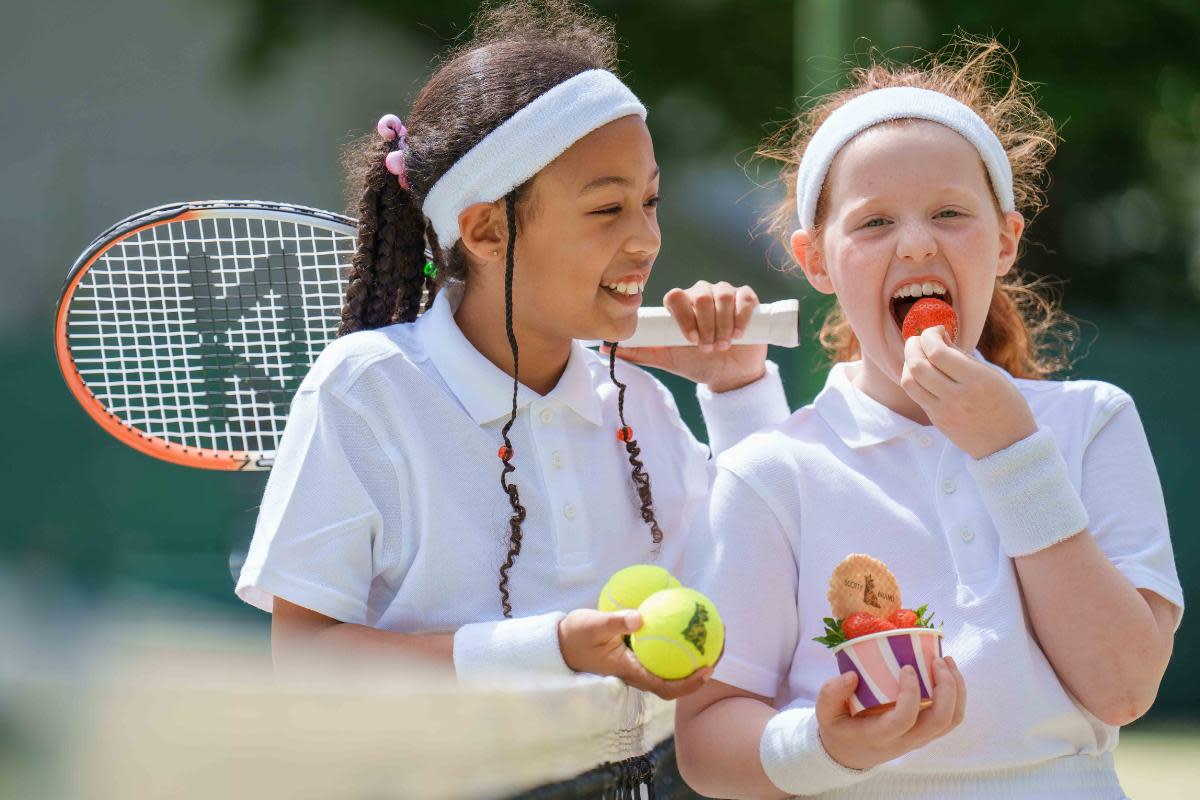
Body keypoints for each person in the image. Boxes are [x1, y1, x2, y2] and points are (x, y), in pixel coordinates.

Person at [235, 0, 788, 702]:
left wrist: (740, 391)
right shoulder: (364, 390)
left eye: (650, 202)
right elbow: (306, 658)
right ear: (487, 231)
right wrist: (548, 649)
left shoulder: (640, 405)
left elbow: (769, 597)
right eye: (606, 208)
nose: (646, 239)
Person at [675, 37, 1183, 799]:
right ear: (815, 261)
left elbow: (1122, 688)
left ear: (1006, 240)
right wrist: (826, 744)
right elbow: (708, 741)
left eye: (950, 213)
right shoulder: (772, 470)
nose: (916, 242)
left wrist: (1010, 452)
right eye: (874, 223)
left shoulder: (1092, 423)